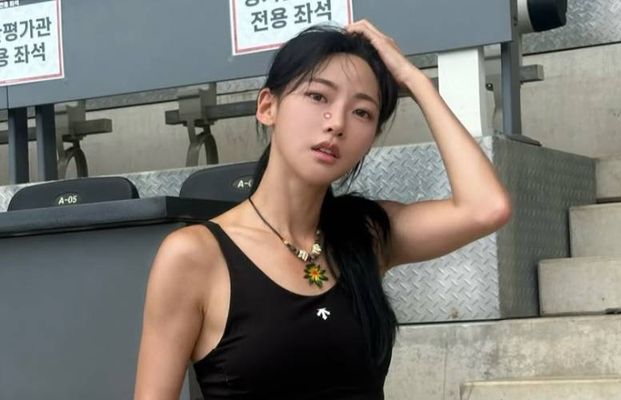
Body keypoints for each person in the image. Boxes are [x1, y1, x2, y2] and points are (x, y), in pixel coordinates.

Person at [134, 20, 512, 400]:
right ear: (267, 107)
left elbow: (486, 207)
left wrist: (415, 81)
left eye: (362, 112)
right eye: (318, 97)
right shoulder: (195, 255)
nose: (337, 123)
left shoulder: (365, 236)